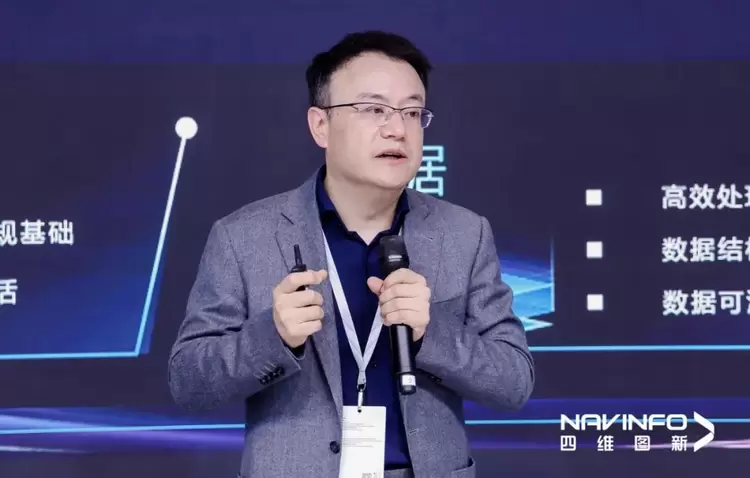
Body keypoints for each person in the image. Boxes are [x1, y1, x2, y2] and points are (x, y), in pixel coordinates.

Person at [168, 30, 534, 478]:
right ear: (320, 125)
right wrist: (272, 336)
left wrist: (432, 333)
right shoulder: (243, 237)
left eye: (412, 112)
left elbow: (514, 382)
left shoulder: (464, 234)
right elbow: (188, 383)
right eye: (373, 109)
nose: (397, 129)